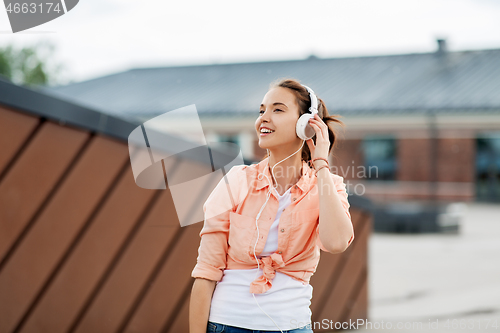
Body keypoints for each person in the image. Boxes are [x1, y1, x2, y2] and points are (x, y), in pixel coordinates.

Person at [189, 78, 355, 333]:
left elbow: (336, 243)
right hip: (227, 325)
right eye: (261, 110)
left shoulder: (328, 185)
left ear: (306, 125)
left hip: (293, 326)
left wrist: (321, 163)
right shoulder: (237, 180)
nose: (263, 118)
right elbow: (206, 271)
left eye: (277, 109)